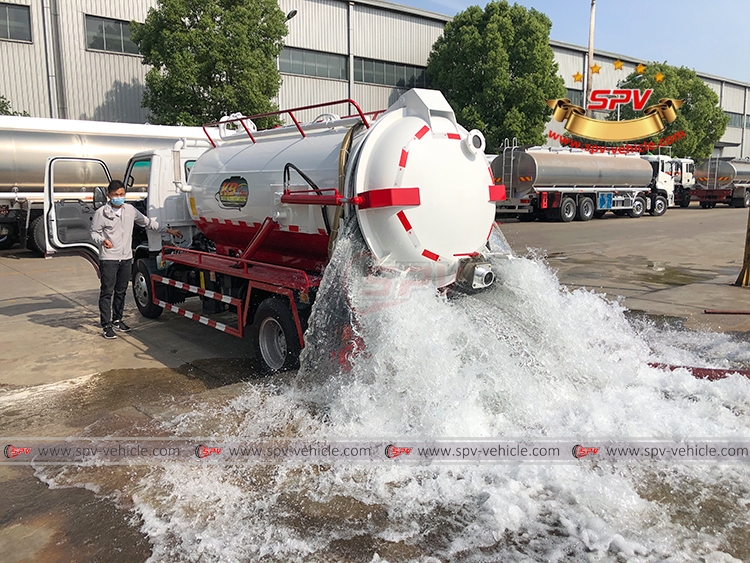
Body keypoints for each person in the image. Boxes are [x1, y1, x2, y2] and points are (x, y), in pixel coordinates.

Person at [90, 180, 182, 339]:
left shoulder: (130, 210)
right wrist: (102, 240)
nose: (119, 197)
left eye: (121, 194)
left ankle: (118, 319)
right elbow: (93, 233)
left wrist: (168, 230)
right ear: (108, 196)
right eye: (115, 195)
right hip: (109, 258)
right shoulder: (101, 213)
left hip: (126, 257)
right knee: (107, 292)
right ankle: (106, 325)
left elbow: (147, 223)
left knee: (121, 290)